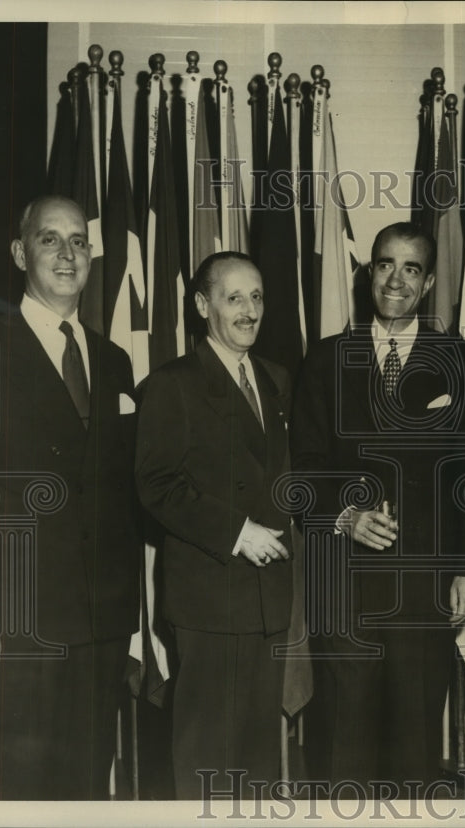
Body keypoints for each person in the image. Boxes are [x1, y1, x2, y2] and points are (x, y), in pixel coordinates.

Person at [0, 195, 141, 799]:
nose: (66, 253)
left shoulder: (113, 362)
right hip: (16, 620)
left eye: (78, 240)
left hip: (101, 620)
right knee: (16, 786)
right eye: (49, 239)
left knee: (84, 785)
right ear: (19, 251)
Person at [290, 222, 465, 793]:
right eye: (384, 264)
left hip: (425, 591)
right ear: (367, 272)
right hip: (344, 589)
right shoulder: (325, 360)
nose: (395, 279)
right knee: (343, 746)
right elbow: (302, 471)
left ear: (427, 284)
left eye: (411, 268)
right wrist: (344, 516)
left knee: (414, 748)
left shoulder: (462, 361)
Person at [134, 251, 293, 799]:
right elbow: (155, 485)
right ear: (203, 306)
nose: (249, 311)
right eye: (234, 298)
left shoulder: (275, 381)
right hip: (210, 598)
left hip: (268, 599)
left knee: (257, 763)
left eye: (257, 297)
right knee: (208, 762)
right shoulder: (172, 384)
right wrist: (236, 531)